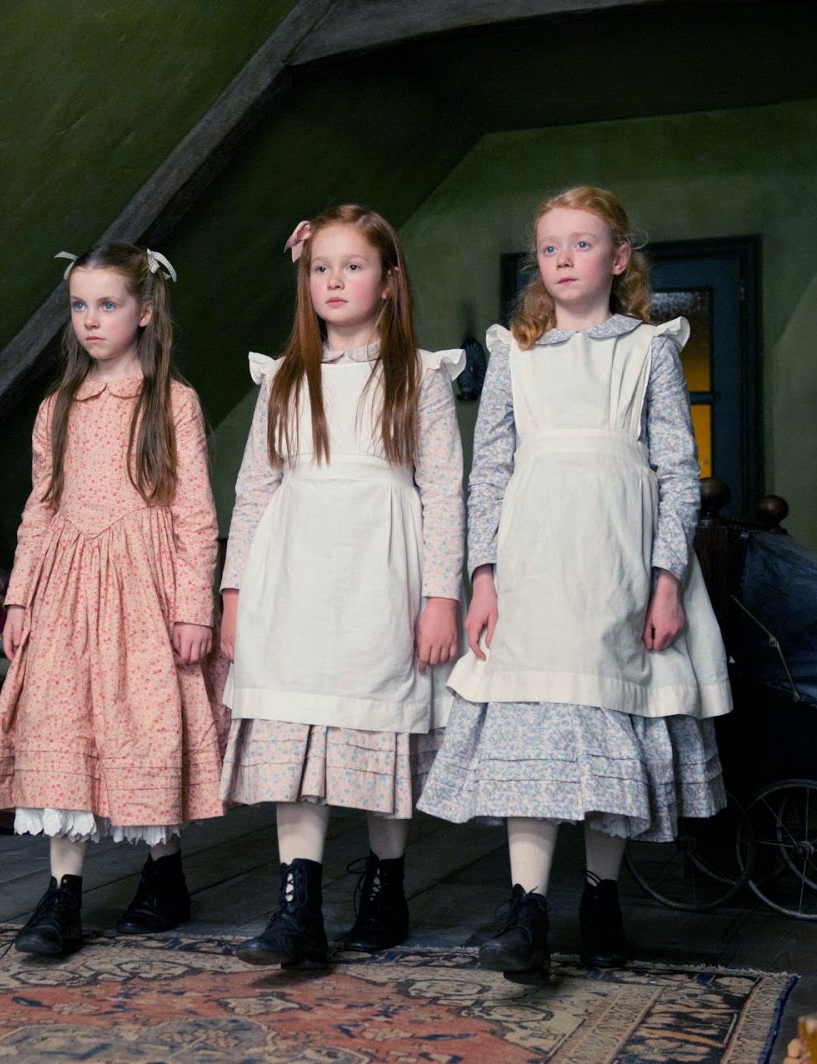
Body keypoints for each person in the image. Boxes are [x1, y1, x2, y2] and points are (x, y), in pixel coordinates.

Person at [417, 185, 731, 984]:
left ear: (618, 258)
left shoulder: (649, 349)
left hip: (618, 562)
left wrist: (667, 579)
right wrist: (483, 577)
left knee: (606, 717)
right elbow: (489, 473)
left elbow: (678, 471)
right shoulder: (515, 355)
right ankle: (526, 910)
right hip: (534, 565)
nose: (562, 259)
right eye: (549, 247)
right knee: (534, 724)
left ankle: (600, 899)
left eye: (582, 244)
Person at [220, 205, 465, 967]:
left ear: (388, 282)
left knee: (376, 724)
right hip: (290, 578)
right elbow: (254, 491)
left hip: (382, 575)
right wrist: (233, 595)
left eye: (352, 266)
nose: (333, 280)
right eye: (320, 267)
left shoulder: (419, 376)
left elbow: (445, 491)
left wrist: (442, 597)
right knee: (295, 730)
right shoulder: (284, 379)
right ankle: (298, 908)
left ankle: (385, 888)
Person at [0, 241, 223, 957]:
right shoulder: (57, 407)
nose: (90, 319)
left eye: (107, 304)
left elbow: (195, 513)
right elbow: (41, 507)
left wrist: (194, 606)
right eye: (79, 305)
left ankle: (164, 874)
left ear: (144, 311)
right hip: (65, 589)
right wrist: (20, 597)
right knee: (60, 721)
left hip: (145, 587)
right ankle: (62, 895)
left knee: (145, 722)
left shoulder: (172, 402)